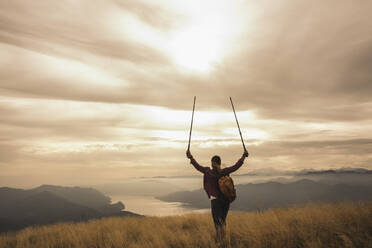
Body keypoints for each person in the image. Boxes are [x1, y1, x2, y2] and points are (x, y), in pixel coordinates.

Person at [186, 149, 249, 243]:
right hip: (226, 200)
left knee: (217, 222)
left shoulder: (208, 172)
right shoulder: (225, 171)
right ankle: (223, 239)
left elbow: (197, 167)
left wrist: (191, 157)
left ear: (212, 163)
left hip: (215, 200)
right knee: (222, 221)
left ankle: (219, 241)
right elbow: (236, 166)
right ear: (220, 163)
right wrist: (244, 156)